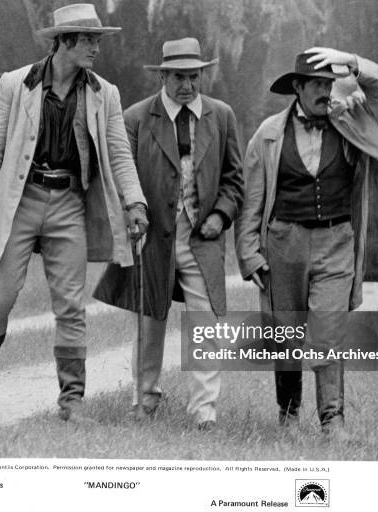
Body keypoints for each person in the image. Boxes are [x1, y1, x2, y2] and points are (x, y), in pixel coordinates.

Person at [0, 4, 149, 422]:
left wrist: (135, 203)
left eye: (97, 40)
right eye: (89, 40)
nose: (96, 49)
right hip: (19, 200)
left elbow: (120, 153)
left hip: (69, 203)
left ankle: (72, 400)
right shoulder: (15, 84)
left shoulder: (105, 93)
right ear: (64, 42)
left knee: (70, 306)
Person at [235, 47, 378, 436]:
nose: (325, 91)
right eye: (316, 84)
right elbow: (252, 201)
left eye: (329, 83)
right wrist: (248, 252)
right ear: (298, 88)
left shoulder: (352, 120)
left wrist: (351, 60)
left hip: (338, 241)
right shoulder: (268, 135)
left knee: (328, 330)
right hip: (283, 243)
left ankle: (332, 419)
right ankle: (287, 416)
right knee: (285, 334)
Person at [94, 37, 244, 431]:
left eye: (194, 77)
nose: (188, 86)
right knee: (149, 322)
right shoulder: (137, 118)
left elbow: (234, 180)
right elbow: (119, 179)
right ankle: (144, 400)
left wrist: (221, 215)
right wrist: (132, 214)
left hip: (202, 236)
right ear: (163, 75)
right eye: (179, 77)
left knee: (206, 323)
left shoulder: (222, 116)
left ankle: (204, 412)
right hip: (152, 235)